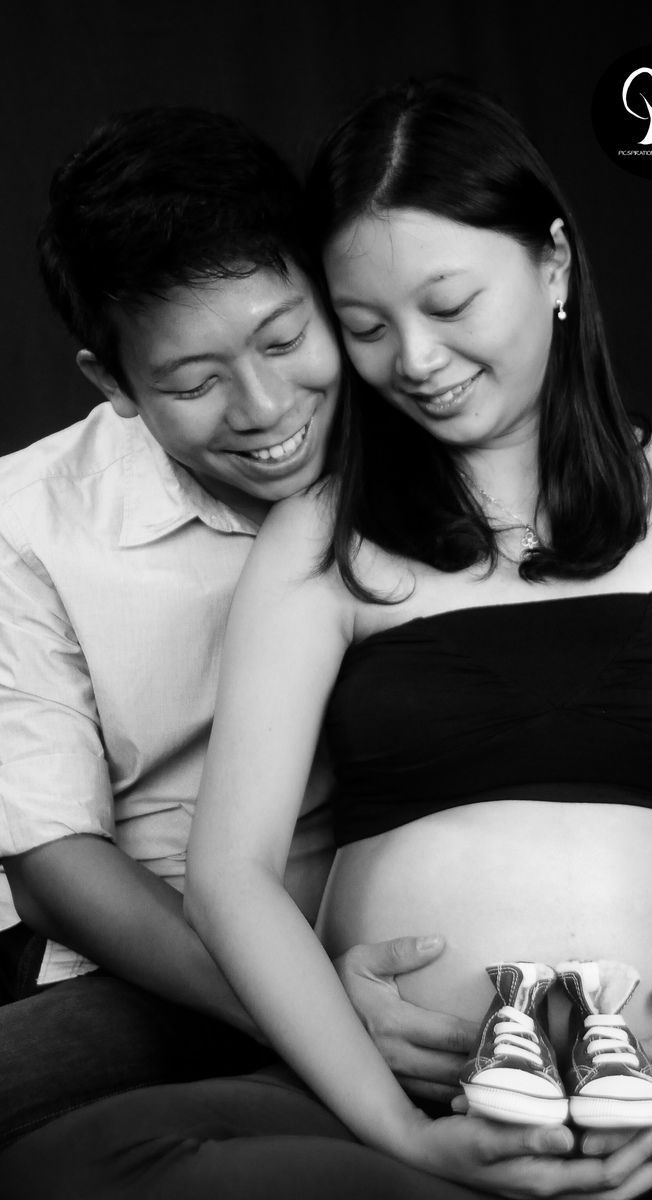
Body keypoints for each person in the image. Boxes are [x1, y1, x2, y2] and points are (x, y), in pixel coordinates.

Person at [1, 79, 652, 1200]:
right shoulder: (301, 532)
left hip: (647, 1060)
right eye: (368, 326)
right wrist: (373, 1085)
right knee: (62, 1145)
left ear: (554, 264)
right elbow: (121, 866)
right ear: (115, 382)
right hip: (292, 1024)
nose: (412, 361)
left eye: (292, 337)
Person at [0, 104, 521, 1149]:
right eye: (193, 383)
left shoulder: (442, 428)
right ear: (113, 382)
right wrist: (311, 1011)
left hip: (441, 951)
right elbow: (54, 862)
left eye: (285, 340)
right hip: (167, 963)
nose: (264, 407)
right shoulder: (29, 521)